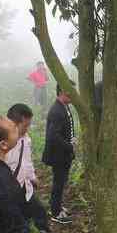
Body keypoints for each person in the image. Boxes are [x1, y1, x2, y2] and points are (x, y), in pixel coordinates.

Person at [5, 104, 58, 233]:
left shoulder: (25, 138)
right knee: (18, 219)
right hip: (9, 190)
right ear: (13, 123)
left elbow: (26, 161)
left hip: (25, 185)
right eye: (25, 125)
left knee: (39, 210)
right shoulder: (3, 143)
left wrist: (32, 177)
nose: (27, 129)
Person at [42, 82, 76, 224]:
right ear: (63, 91)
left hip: (64, 154)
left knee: (61, 182)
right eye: (71, 91)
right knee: (58, 183)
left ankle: (57, 206)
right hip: (59, 156)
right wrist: (69, 145)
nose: (74, 94)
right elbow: (52, 136)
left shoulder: (64, 106)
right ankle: (56, 213)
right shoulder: (56, 111)